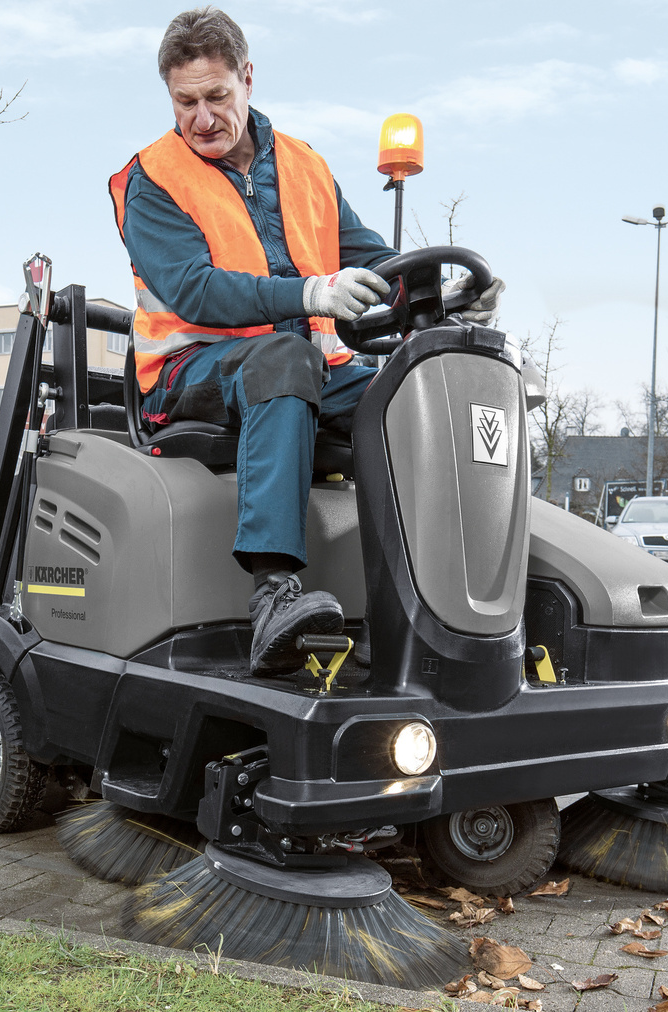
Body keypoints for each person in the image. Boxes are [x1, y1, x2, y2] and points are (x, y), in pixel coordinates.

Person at [109, 7, 503, 676]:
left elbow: (372, 256)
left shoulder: (303, 165)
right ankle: (272, 596)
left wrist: (451, 291)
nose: (201, 117)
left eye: (216, 97)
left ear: (248, 79)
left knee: (410, 391)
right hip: (188, 374)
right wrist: (310, 295)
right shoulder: (152, 180)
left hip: (298, 369)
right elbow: (196, 290)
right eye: (186, 102)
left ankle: (427, 599)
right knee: (286, 357)